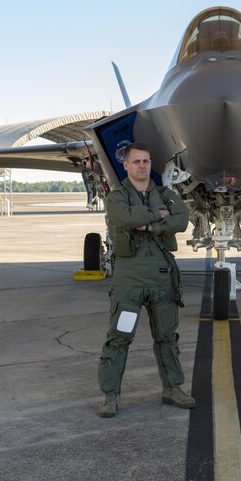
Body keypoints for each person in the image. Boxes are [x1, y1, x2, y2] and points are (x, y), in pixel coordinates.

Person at [98, 143, 196, 417]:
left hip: (161, 278)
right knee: (119, 337)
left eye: (146, 161)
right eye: (137, 161)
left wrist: (150, 224)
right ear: (126, 166)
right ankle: (111, 394)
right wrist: (158, 214)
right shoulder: (117, 197)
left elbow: (182, 219)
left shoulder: (165, 193)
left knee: (167, 336)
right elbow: (127, 217)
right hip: (129, 282)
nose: (142, 166)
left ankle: (173, 388)